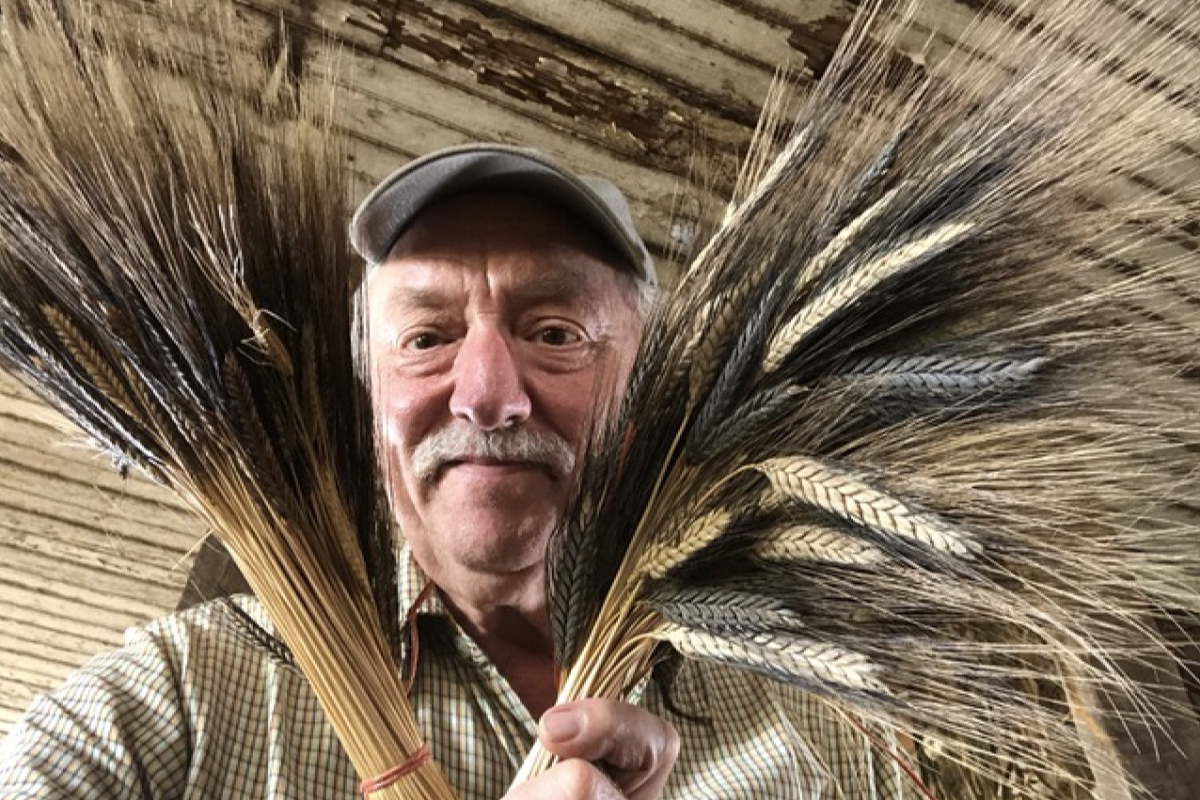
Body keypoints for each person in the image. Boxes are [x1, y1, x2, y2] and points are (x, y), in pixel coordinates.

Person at [0, 144, 913, 799]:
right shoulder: (191, 692)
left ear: (645, 410)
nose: (485, 395)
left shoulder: (824, 728)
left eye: (556, 334)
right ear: (369, 414)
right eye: (427, 338)